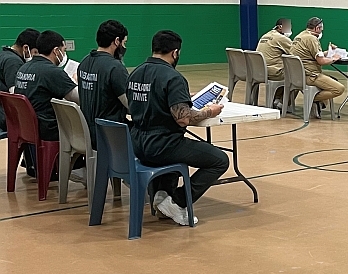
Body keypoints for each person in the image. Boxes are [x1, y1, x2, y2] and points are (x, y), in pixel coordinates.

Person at [127, 30, 229, 226]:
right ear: (175, 53)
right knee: (219, 160)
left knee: (179, 151)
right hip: (162, 145)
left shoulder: (136, 73)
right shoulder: (173, 77)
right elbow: (183, 119)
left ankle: (161, 195)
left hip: (137, 142)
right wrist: (210, 111)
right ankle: (177, 202)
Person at [14, 30, 79, 142]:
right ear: (56, 51)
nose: (64, 55)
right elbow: (79, 98)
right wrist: (75, 82)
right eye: (63, 50)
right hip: (47, 130)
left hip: (26, 127)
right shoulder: (52, 72)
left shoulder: (23, 68)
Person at [78, 20, 129, 150]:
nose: (124, 47)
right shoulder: (115, 68)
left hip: (86, 133)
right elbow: (132, 106)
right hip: (110, 134)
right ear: (117, 41)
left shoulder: (84, 62)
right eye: (124, 43)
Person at [289, 17, 345, 110]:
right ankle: (313, 99)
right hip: (310, 75)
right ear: (317, 28)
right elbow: (321, 61)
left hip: (297, 75)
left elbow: (312, 54)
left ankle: (318, 104)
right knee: (339, 88)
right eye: (321, 29)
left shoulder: (300, 36)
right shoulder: (312, 39)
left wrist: (329, 52)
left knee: (331, 79)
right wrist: (334, 58)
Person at [0, 28, 38, 131]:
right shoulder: (13, 62)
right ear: (26, 48)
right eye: (35, 52)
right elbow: (15, 94)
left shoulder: (3, 54)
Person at [256, 18, 293, 82]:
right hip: (274, 73)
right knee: (297, 74)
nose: (289, 30)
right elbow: (295, 52)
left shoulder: (265, 35)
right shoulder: (281, 38)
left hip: (260, 71)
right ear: (280, 27)